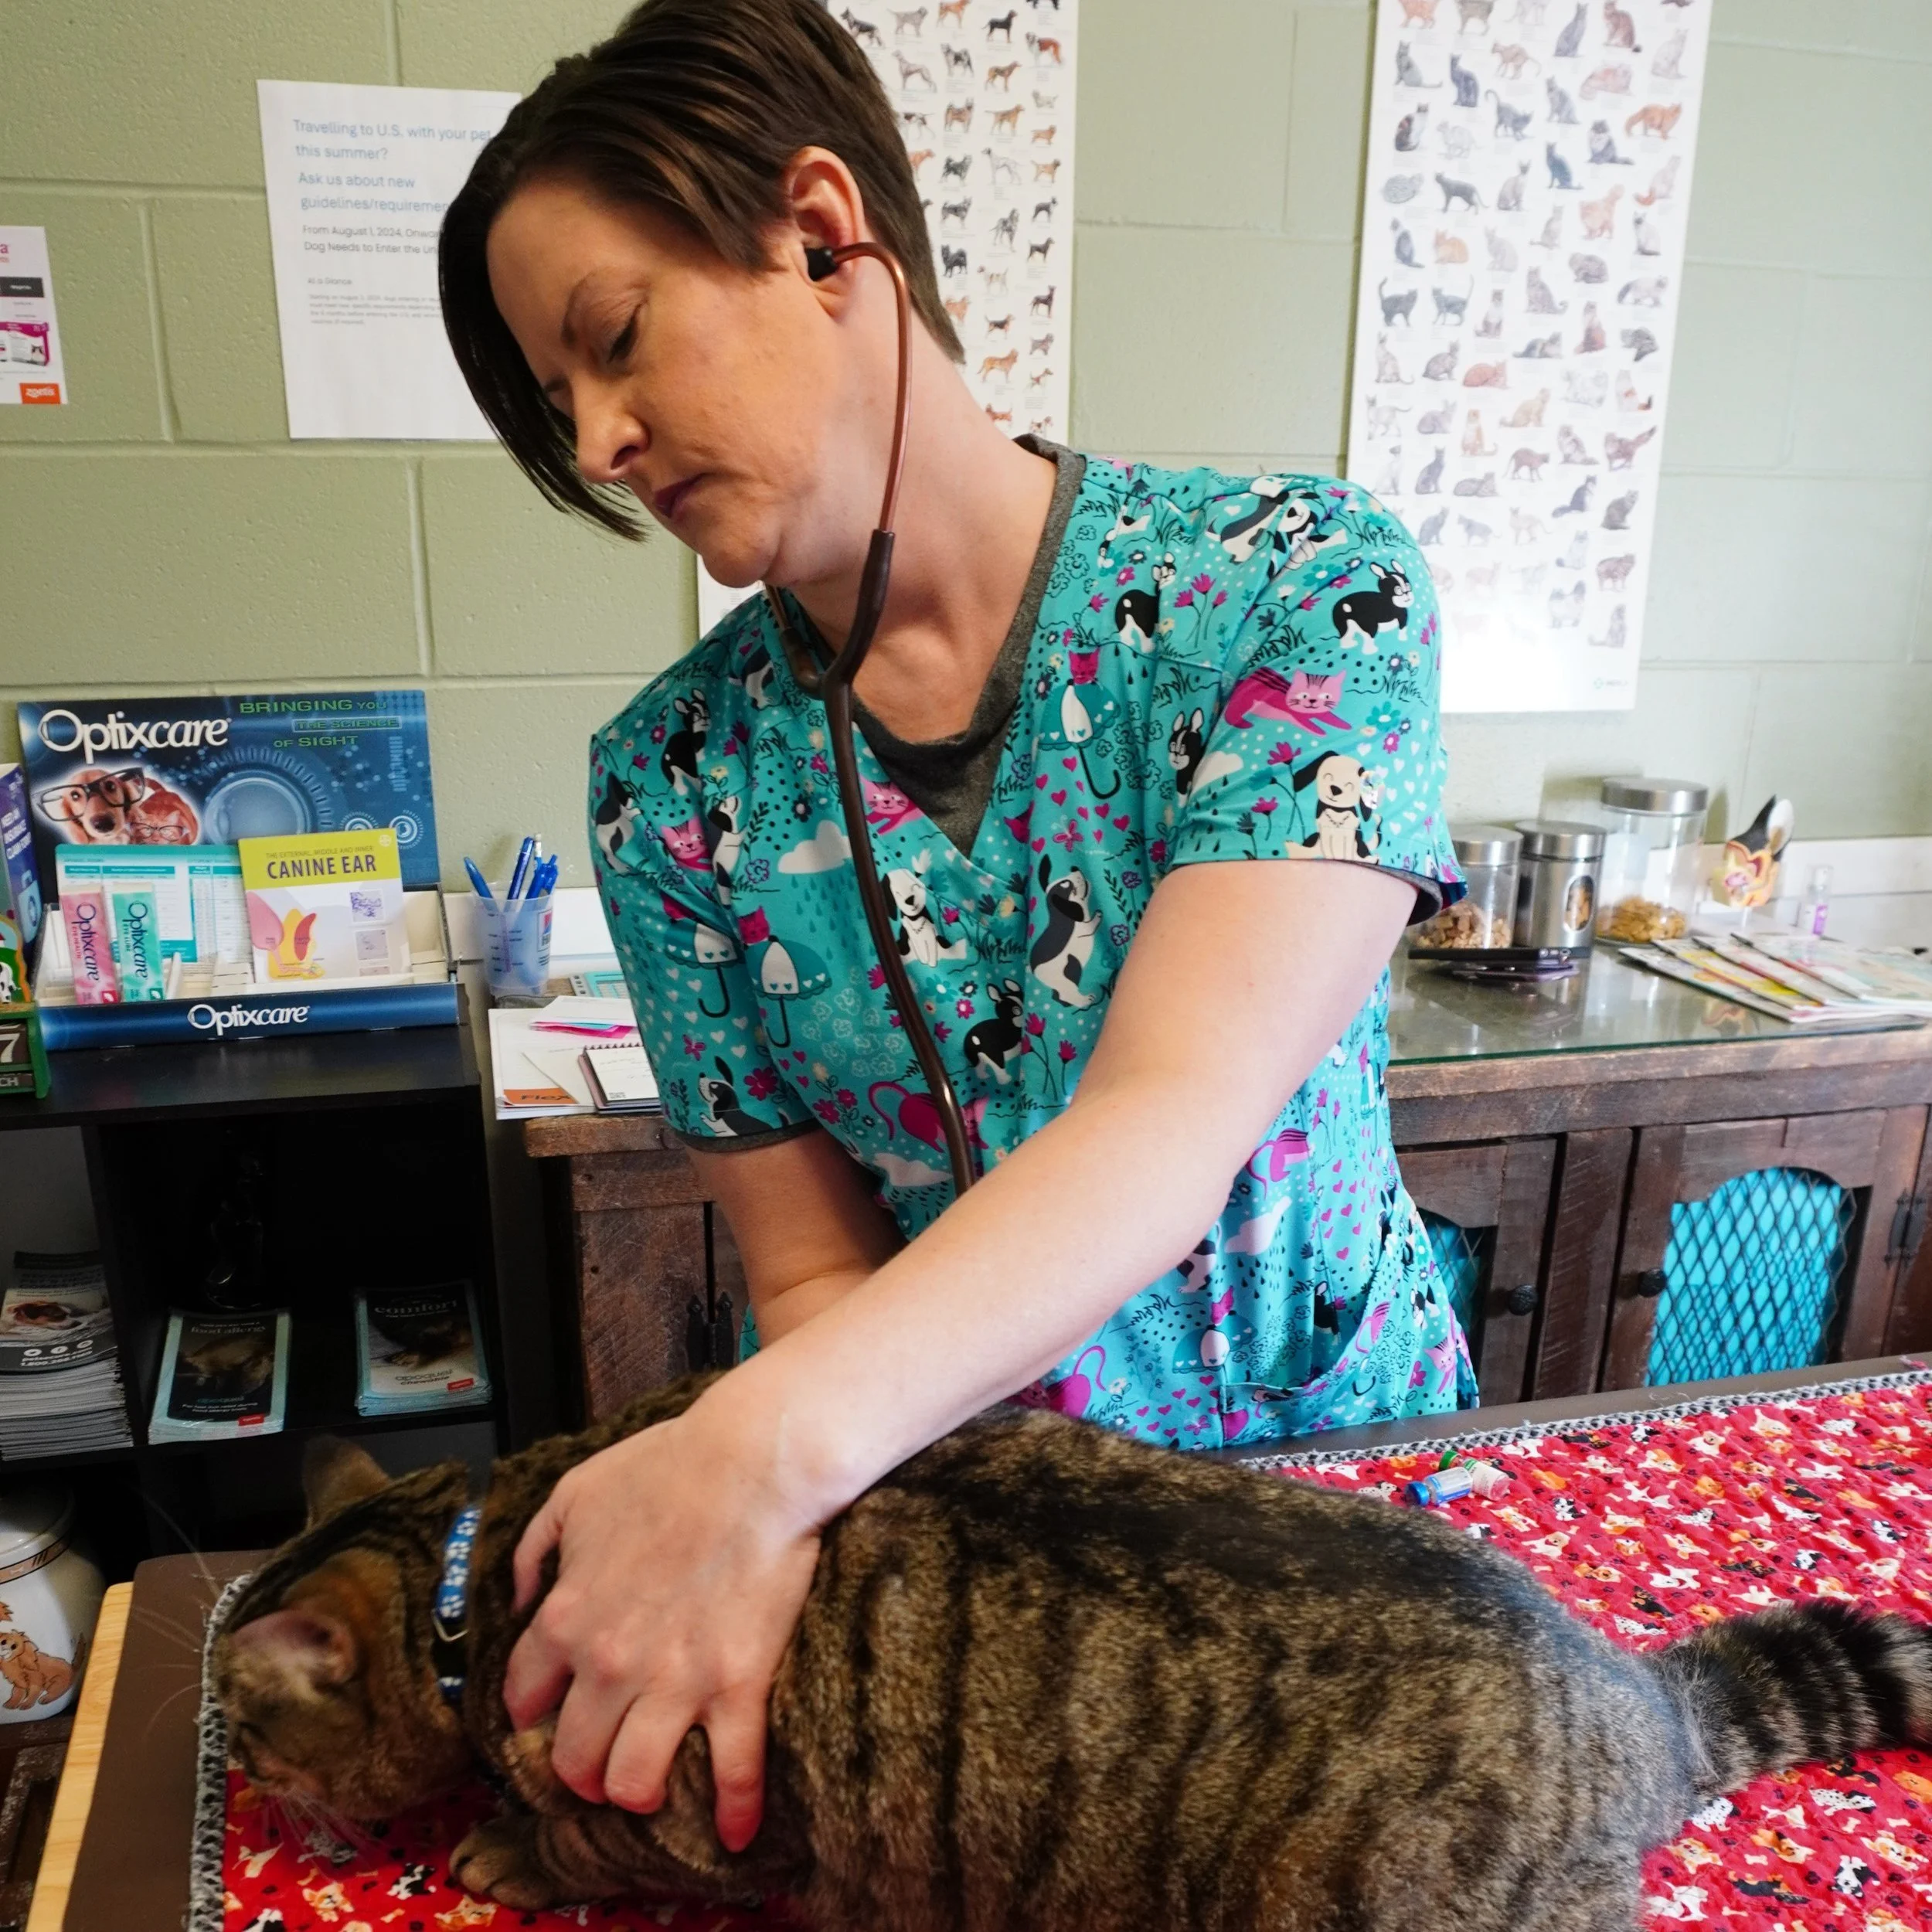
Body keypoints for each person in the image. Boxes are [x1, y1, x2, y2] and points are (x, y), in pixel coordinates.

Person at [440, 0, 1468, 1862]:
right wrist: (765, 1520)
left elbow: (1163, 1129)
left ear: (820, 230)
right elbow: (814, 1272)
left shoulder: (1293, 596)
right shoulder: (670, 786)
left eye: (610, 342)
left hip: (1356, 1538)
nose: (596, 439)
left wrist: (742, 1464)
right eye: (555, 406)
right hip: (1002, 1607)